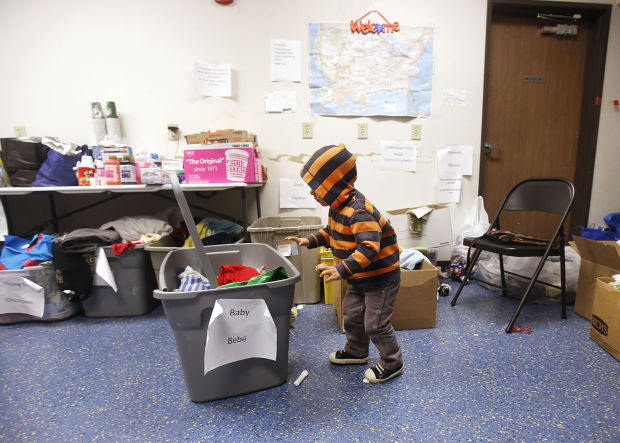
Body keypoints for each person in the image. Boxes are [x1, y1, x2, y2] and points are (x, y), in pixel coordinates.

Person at [286, 144, 403, 383]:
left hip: (380, 279)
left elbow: (369, 248)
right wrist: (308, 240)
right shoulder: (337, 207)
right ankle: (357, 351)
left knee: (375, 324)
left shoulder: (358, 211)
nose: (311, 193)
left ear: (332, 185)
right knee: (351, 315)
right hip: (359, 278)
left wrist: (340, 269)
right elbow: (332, 232)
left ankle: (393, 362)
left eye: (315, 187)